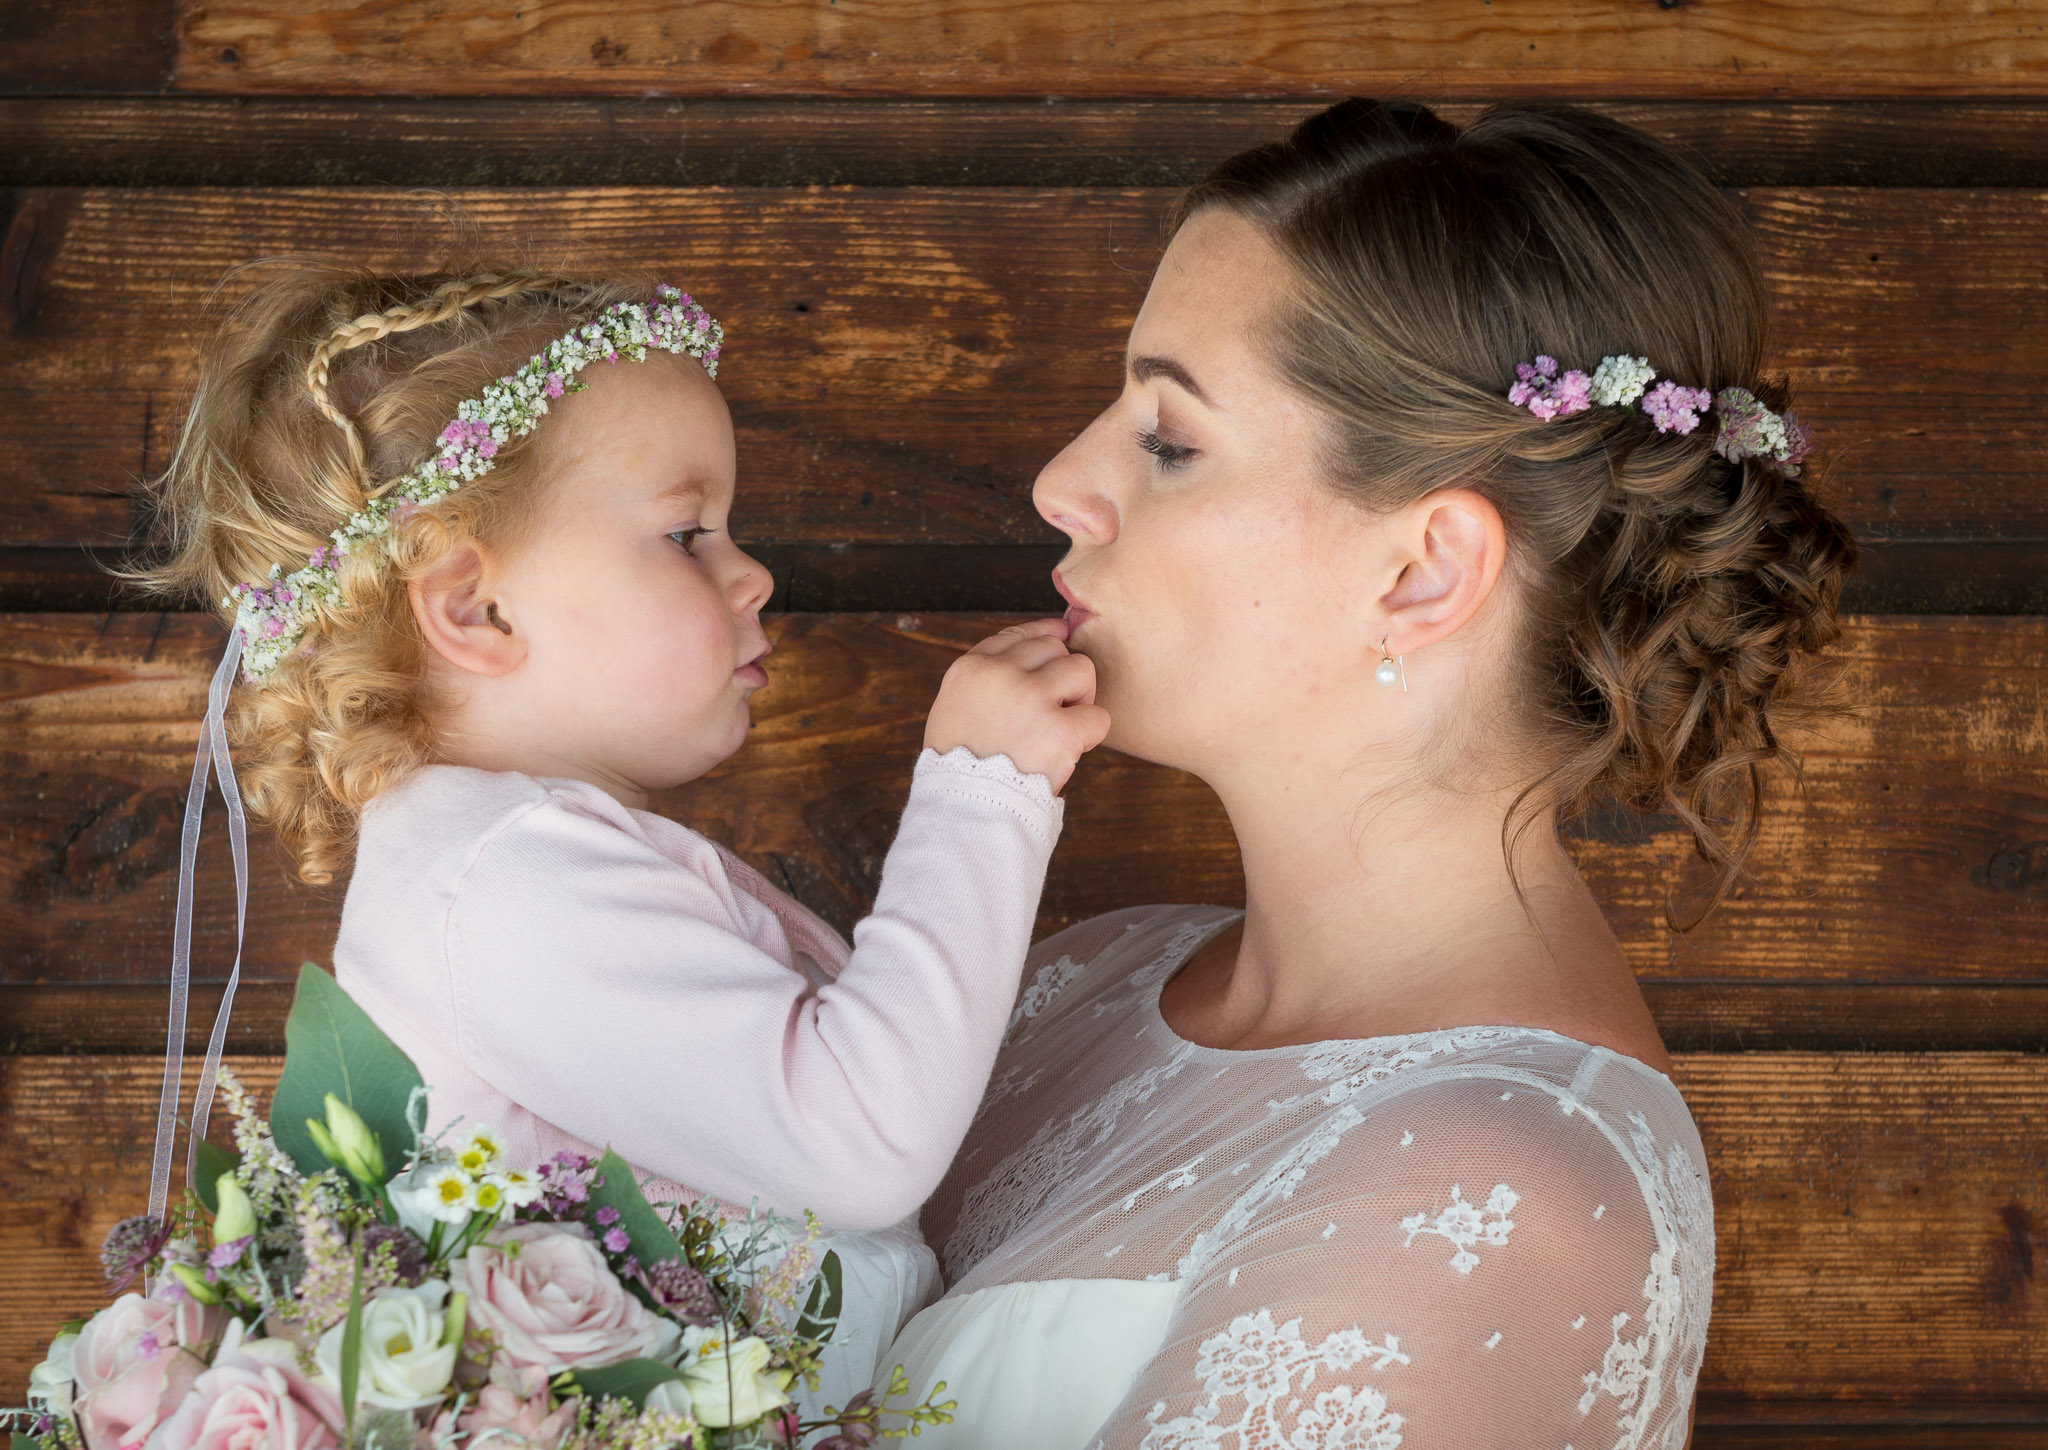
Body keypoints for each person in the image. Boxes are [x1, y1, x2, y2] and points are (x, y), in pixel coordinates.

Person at [879, 100, 1855, 1448]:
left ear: (1424, 571)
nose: (1063, 481)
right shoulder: (1076, 982)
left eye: (1170, 440)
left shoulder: (1501, 1190)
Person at [133, 266, 1109, 1410]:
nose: (752, 573)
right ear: (475, 610)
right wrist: (978, 790)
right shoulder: (503, 888)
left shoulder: (516, 856)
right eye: (687, 533)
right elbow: (859, 1141)